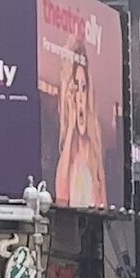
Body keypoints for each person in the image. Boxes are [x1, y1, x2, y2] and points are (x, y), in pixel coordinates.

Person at [55, 38, 107, 208]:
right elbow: (61, 199)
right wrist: (70, 127)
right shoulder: (67, 157)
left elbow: (103, 207)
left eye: (84, 88)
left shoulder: (95, 154)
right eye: (75, 88)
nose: (80, 98)